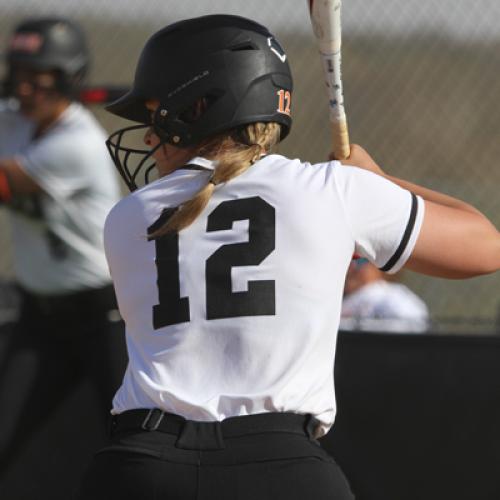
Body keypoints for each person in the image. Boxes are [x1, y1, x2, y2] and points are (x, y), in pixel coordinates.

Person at [75, 14, 500, 500]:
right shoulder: (332, 191)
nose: (150, 137)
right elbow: (487, 247)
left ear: (198, 108)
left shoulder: (125, 218)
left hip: (140, 469)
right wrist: (378, 179)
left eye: (157, 117)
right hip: (280, 471)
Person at [0, 17, 126, 476]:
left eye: (42, 77)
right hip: (39, 315)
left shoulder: (78, 143)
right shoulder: (13, 120)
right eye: (20, 73)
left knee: (132, 447)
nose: (27, 87)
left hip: (104, 316)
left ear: (68, 77)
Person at [340, 258, 430, 333]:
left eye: (359, 260)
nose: (351, 267)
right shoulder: (341, 300)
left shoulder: (391, 296)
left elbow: (415, 326)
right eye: (348, 261)